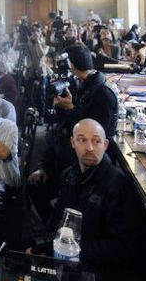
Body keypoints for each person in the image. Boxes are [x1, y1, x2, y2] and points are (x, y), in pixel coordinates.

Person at [35, 120, 146, 280]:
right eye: (82, 140)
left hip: (101, 270)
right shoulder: (68, 175)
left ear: (106, 145)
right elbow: (56, 219)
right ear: (72, 142)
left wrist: (70, 249)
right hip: (71, 259)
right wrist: (41, 245)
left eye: (96, 141)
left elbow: (124, 249)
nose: (89, 148)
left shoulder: (118, 187)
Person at [29, 43, 118, 222]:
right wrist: (44, 166)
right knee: (33, 185)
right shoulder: (86, 85)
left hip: (87, 163)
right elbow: (64, 129)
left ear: (73, 64)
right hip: (67, 155)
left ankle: (59, 229)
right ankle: (54, 227)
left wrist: (71, 109)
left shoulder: (103, 93)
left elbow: (93, 134)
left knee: (42, 190)